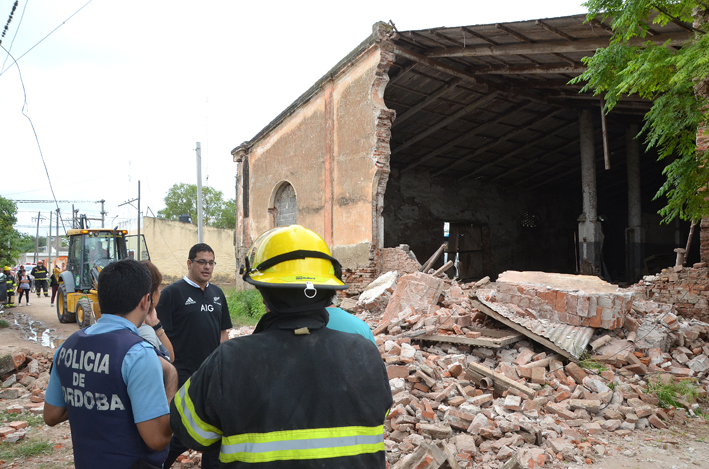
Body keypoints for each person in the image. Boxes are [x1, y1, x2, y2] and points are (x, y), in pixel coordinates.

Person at [170, 225, 392, 468]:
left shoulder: (229, 360)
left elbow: (191, 432)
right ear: (329, 290)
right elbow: (377, 416)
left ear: (264, 293)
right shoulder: (366, 354)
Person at [43, 259, 178, 468]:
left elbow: (51, 415)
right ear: (145, 301)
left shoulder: (67, 347)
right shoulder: (139, 354)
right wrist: (171, 378)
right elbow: (158, 439)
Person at [156, 243, 232, 469]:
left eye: (211, 263)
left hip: (210, 375)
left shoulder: (217, 294)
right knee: (180, 431)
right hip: (182, 376)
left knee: (214, 430)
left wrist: (223, 365)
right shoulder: (171, 294)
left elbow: (223, 333)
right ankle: (158, 464)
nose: (207, 267)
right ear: (190, 263)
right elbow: (160, 335)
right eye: (202, 262)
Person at [139, 260, 174, 362]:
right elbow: (168, 361)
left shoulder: (150, 324)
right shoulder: (145, 332)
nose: (160, 292)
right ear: (152, 295)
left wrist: (156, 325)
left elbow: (170, 356)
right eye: (159, 288)